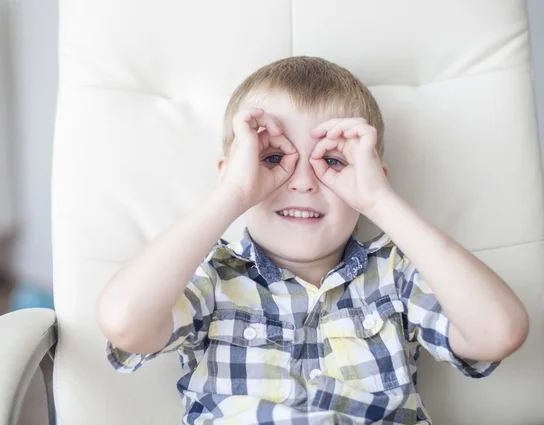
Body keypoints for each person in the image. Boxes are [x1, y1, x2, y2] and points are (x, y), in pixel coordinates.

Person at [97, 56, 529, 424]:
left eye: (333, 161)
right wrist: (231, 195)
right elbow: (124, 323)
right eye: (272, 159)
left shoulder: (395, 275)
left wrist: (380, 200)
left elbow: (499, 332)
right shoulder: (213, 278)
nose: (302, 182)